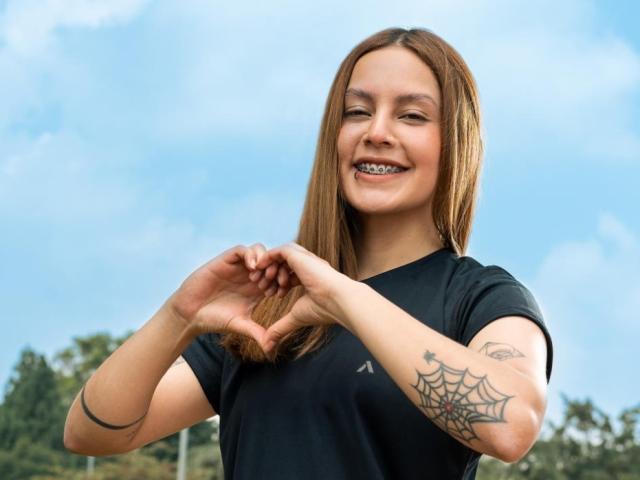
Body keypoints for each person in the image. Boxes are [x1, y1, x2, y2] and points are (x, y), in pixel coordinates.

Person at [63, 27, 554, 479]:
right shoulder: (266, 304)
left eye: (411, 115)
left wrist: (344, 298)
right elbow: (92, 433)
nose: (376, 132)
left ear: (455, 143)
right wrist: (179, 316)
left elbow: (511, 427)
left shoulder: (481, 299)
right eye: (357, 111)